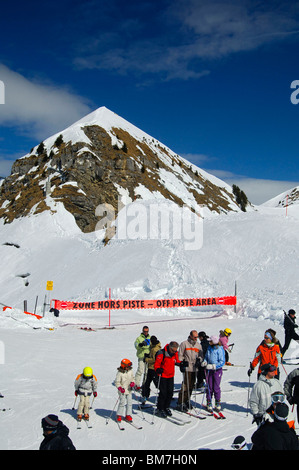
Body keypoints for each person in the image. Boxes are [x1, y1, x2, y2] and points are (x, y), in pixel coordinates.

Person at [176, 330, 203, 412]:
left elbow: (201, 355)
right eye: (194, 337)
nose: (196, 338)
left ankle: (187, 400)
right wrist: (182, 362)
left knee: (191, 385)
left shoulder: (198, 345)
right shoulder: (184, 344)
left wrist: (199, 360)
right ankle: (180, 402)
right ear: (190, 336)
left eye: (197, 337)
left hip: (195, 368)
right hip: (187, 368)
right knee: (185, 385)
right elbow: (180, 355)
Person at [154, 341, 181, 418]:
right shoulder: (161, 353)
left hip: (171, 375)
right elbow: (156, 364)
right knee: (163, 393)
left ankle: (166, 407)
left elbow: (177, 361)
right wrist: (158, 369)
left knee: (170, 392)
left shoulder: (175, 353)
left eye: (175, 350)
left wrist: (182, 364)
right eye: (173, 350)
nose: (174, 352)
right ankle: (160, 408)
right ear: (170, 347)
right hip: (163, 376)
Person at [204, 335, 225, 412]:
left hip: (217, 370)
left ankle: (217, 402)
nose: (209, 342)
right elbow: (206, 356)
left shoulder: (220, 349)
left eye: (210, 341)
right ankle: (209, 402)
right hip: (209, 370)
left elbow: (222, 362)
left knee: (216, 387)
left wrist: (213, 366)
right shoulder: (209, 348)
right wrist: (205, 361)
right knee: (209, 386)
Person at [141, 335, 161, 404]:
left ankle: (164, 395)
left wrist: (146, 359)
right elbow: (152, 356)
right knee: (147, 382)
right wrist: (148, 355)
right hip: (151, 368)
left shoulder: (155, 349)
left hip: (153, 368)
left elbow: (154, 359)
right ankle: (145, 395)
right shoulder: (153, 347)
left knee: (156, 383)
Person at [115, 358, 135, 422]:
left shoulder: (130, 371)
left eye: (129, 366)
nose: (128, 368)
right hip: (122, 390)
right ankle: (119, 415)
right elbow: (117, 382)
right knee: (122, 402)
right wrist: (120, 388)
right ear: (123, 366)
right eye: (127, 367)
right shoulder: (119, 373)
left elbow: (133, 378)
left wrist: (132, 383)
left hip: (129, 389)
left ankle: (128, 415)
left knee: (129, 402)